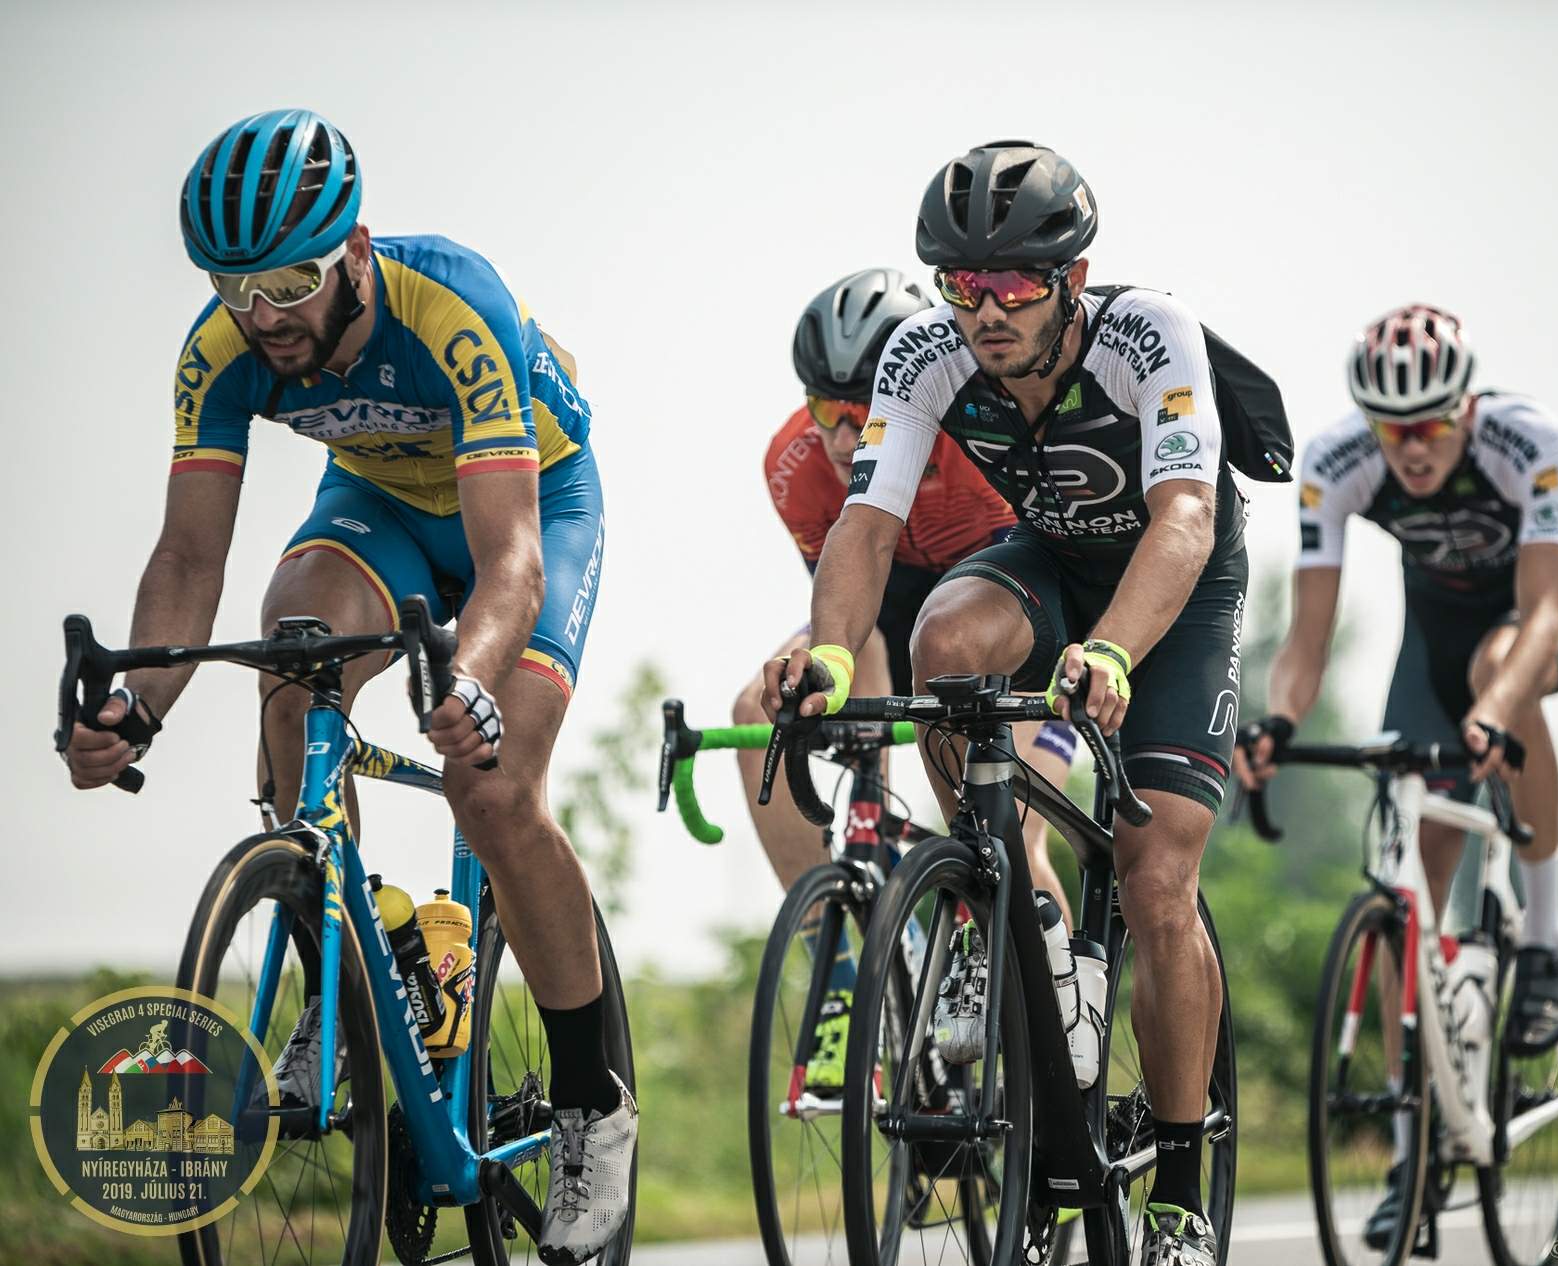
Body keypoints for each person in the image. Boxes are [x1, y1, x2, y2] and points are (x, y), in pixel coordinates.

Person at [59, 109, 629, 1264]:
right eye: (234, 288)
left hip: (530, 512)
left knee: (492, 788)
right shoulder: (219, 353)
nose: (263, 314)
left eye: (290, 282)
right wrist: (135, 708)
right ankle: (343, 985)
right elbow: (188, 560)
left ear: (355, 251)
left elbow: (511, 563)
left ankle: (591, 1104)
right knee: (293, 653)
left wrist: (472, 680)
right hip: (380, 513)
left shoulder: (451, 301)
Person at [763, 140, 1248, 1265]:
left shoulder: (1149, 335)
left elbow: (1184, 515)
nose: (984, 309)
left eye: (1013, 283)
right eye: (961, 283)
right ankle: (1003, 896)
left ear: (1070, 279)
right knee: (942, 642)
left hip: (1177, 582)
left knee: (1156, 879)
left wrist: (1113, 651)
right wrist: (830, 655)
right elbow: (866, 526)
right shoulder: (925, 352)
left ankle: (1180, 1194)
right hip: (1053, 558)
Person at [1238, 303, 1558, 1246]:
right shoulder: (1335, 462)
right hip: (1434, 646)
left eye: (1429, 426)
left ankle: (1547, 940)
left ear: (1466, 407)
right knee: (1411, 895)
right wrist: (1279, 721)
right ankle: (1416, 1154)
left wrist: (1496, 710)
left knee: (1500, 669)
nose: (1409, 448)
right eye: (1389, 427)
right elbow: (1307, 638)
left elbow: (1544, 607)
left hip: (1548, 614)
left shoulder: (1531, 442)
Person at [734, 267, 1076, 1094]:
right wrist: (863, 776)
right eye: (823, 410)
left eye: (859, 412)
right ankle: (844, 979)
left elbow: (1043, 591)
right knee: (757, 711)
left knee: (1015, 834)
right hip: (890, 610)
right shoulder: (791, 464)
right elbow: (859, 625)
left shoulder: (981, 431)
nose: (841, 438)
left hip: (1010, 616)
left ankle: (1063, 1057)